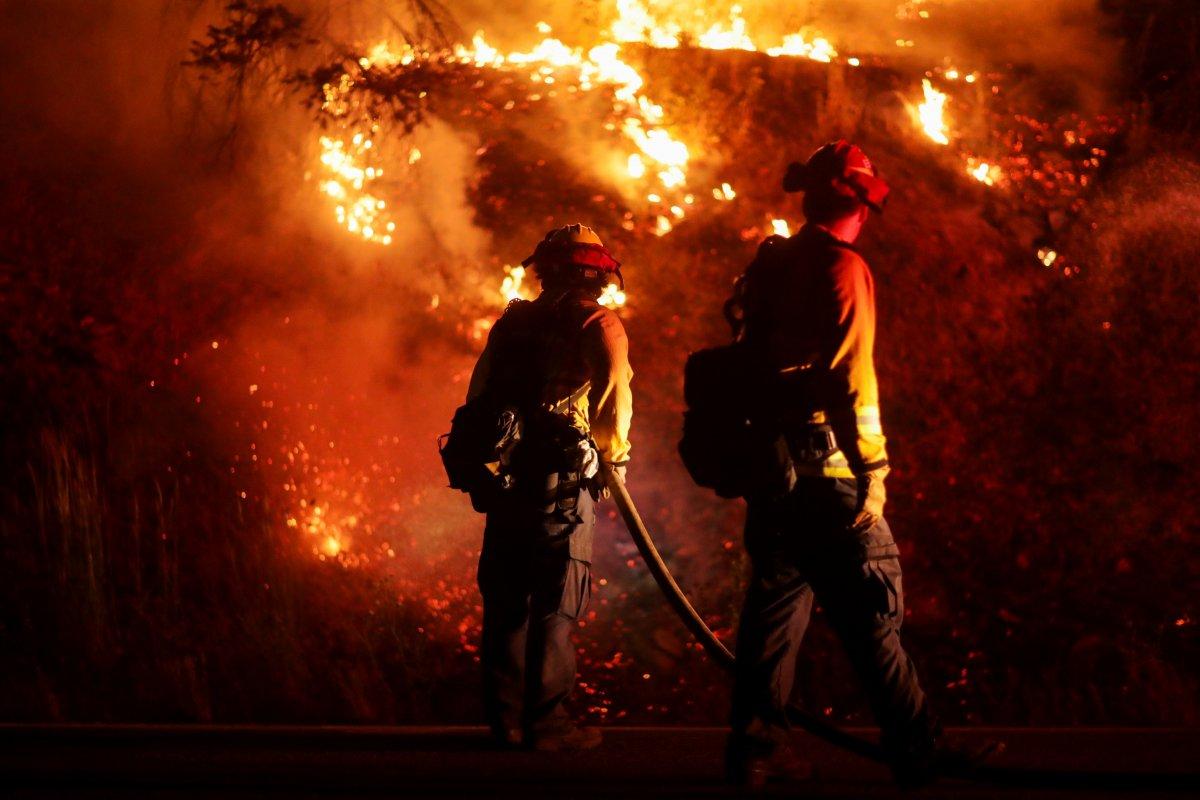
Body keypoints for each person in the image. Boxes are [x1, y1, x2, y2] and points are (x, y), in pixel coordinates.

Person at [724, 141, 993, 787]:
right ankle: (917, 751)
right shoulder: (841, 268)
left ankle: (756, 754)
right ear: (864, 204)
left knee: (773, 621)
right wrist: (873, 470)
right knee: (874, 617)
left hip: (776, 476)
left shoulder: (772, 264)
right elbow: (850, 376)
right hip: (835, 479)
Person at [464, 223, 632, 752]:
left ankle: (506, 722)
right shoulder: (599, 323)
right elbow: (612, 403)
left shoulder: (511, 323)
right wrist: (615, 465)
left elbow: (479, 394)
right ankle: (548, 725)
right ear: (596, 273)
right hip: (561, 482)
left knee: (507, 597)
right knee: (557, 599)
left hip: (508, 477)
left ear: (544, 270)